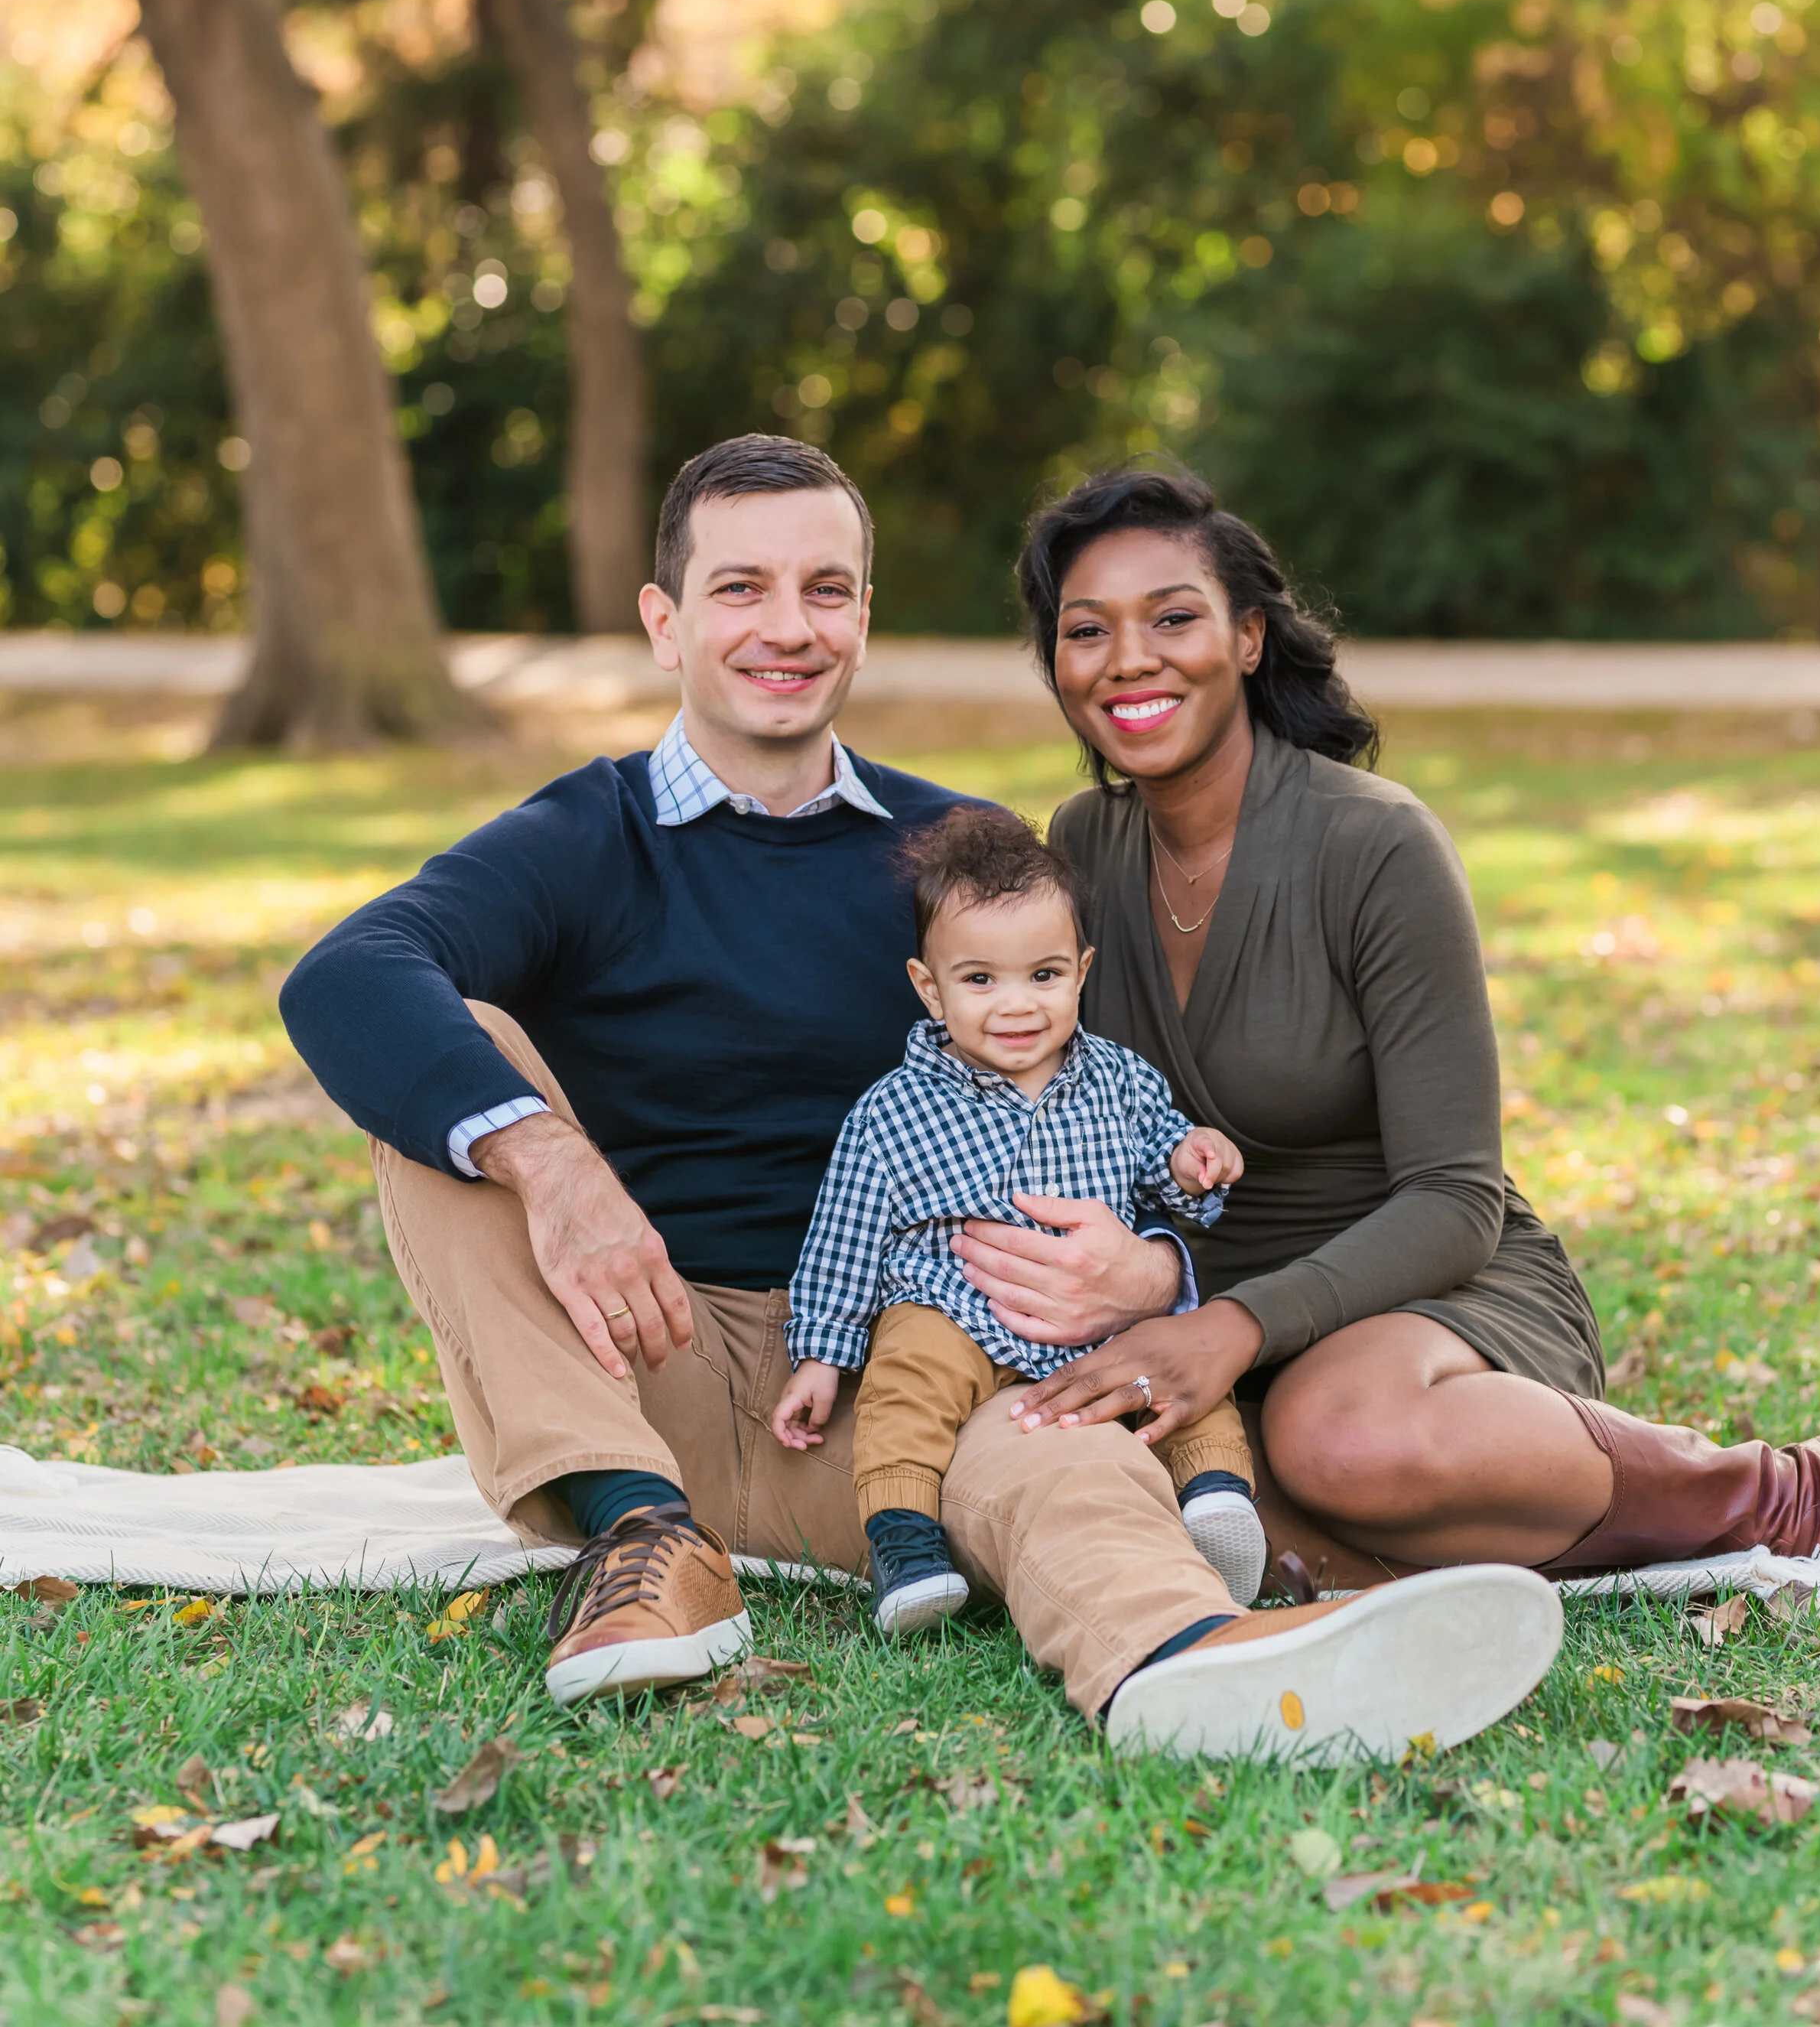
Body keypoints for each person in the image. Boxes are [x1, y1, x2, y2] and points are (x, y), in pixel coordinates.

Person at [281, 430, 1565, 1758]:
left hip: (904, 1371)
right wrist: (553, 1167)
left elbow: (1107, 1100)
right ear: (665, 623)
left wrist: (1152, 1271)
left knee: (1065, 1445)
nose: (788, 628)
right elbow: (346, 974)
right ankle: (640, 1533)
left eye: (826, 590)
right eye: (741, 590)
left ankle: (1187, 1662)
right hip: (635, 1350)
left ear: (864, 620)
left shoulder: (959, 865)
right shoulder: (581, 839)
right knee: (444, 1072)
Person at [995, 460, 1820, 1591]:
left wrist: (1232, 1325)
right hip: (1203, 1314)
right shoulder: (1082, 842)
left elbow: (1456, 1197)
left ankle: (1800, 1494)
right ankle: (1481, 1526)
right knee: (1127, 1492)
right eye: (1087, 631)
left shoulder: (1375, 844)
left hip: (1424, 1291)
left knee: (1340, 1441)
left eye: (1172, 617)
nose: (1130, 658)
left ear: (1247, 639)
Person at [770, 805, 1263, 1636]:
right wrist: (821, 1355)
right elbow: (846, 1235)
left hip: (1098, 1323)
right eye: (979, 979)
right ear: (929, 986)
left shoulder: (1118, 1080)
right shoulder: (894, 1111)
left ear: (1081, 972)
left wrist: (1192, 1159)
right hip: (953, 1310)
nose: (1016, 1005)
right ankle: (905, 1540)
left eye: (1043, 975)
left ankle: (1216, 1498)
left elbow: (1166, 1170)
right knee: (904, 1378)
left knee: (1178, 1372)